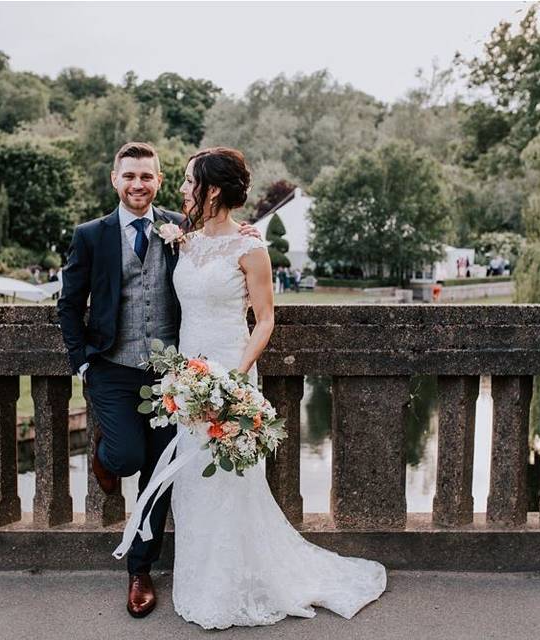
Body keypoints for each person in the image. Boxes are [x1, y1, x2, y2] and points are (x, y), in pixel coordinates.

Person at [132, 147, 387, 629]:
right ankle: (201, 581)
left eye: (189, 182)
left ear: (210, 190)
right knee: (192, 484)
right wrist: (189, 377)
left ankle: (236, 585)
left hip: (230, 374)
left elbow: (265, 320)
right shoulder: (182, 240)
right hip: (186, 376)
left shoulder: (251, 248)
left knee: (231, 482)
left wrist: (233, 378)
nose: (182, 190)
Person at [56, 142, 260, 619]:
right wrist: (82, 362)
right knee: (125, 456)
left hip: (172, 371)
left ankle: (139, 571)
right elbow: (69, 303)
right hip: (110, 365)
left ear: (160, 180)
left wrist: (247, 233)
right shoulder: (91, 235)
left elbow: (223, 241)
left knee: (161, 473)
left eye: (146, 176)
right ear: (114, 180)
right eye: (129, 176)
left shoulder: (183, 226)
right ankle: (105, 453)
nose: (138, 184)